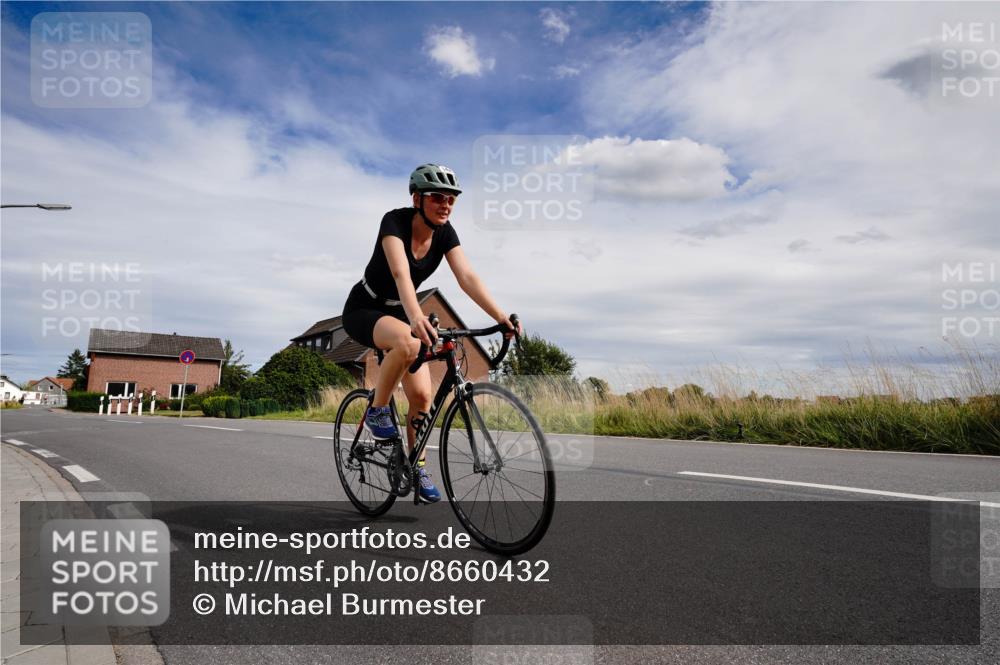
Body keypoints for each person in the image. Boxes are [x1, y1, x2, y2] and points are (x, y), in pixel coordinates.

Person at [341, 164, 521, 504]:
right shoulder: (394, 221)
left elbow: (466, 276)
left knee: (423, 398)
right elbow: (400, 272)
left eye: (451, 199)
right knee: (408, 341)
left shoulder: (446, 233)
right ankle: (377, 410)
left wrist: (500, 316)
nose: (446, 204)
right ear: (417, 199)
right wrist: (414, 315)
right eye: (437, 197)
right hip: (366, 308)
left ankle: (415, 465)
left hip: (403, 314)